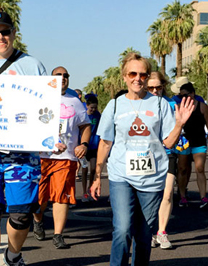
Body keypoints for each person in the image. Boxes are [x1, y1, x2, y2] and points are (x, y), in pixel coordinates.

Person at [0, 11, 65, 266]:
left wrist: (52, 136)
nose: (0, 37)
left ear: (13, 33)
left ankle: (13, 253)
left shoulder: (33, 66)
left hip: (22, 154)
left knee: (21, 216)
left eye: (5, 32)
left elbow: (48, 108)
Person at [90, 53, 193, 266]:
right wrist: (97, 176)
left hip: (152, 178)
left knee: (145, 235)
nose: (138, 78)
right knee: (123, 229)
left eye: (143, 74)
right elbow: (105, 143)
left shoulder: (160, 104)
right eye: (133, 73)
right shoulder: (115, 105)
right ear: (125, 77)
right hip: (121, 176)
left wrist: (179, 124)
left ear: (147, 77)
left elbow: (169, 143)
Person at [33, 66, 91, 249]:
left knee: (61, 197)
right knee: (39, 198)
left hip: (66, 158)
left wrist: (84, 144)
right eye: (58, 75)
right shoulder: (39, 97)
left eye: (66, 75)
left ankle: (58, 235)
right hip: (41, 156)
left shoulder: (75, 101)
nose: (63, 78)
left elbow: (85, 126)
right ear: (51, 78)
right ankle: (38, 220)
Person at [146, 72, 177, 249]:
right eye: (151, 87)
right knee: (150, 196)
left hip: (168, 152)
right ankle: (148, 232)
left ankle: (162, 232)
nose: (155, 90)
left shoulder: (171, 104)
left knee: (167, 194)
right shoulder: (139, 105)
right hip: (146, 155)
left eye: (159, 87)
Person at [172, 80, 208, 209]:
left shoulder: (202, 106)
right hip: (184, 142)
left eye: (186, 95)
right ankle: (182, 196)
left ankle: (203, 197)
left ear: (193, 94)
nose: (184, 98)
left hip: (199, 141)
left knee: (199, 168)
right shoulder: (179, 107)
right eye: (182, 96)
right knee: (182, 169)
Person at [80, 94, 101, 202]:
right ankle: (84, 192)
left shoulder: (97, 115)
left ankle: (90, 188)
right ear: (87, 106)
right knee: (84, 169)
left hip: (93, 145)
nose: (93, 109)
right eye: (91, 107)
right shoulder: (83, 115)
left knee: (93, 168)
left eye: (95, 107)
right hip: (84, 146)